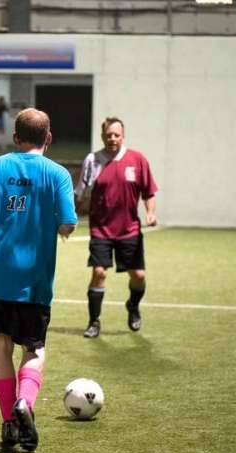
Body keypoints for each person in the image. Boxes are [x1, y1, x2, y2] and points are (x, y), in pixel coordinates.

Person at [0, 108, 77, 453]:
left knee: (1, 344)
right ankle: (24, 403)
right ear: (48, 138)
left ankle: (8, 424)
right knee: (34, 349)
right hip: (33, 278)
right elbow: (67, 223)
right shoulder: (57, 174)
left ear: (15, 137)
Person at [75, 116, 158, 339]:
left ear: (123, 136)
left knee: (138, 276)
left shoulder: (137, 159)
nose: (112, 138)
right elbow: (79, 193)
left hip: (129, 230)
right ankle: (94, 321)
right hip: (101, 229)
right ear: (102, 136)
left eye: (117, 135)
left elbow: (148, 192)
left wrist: (150, 212)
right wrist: (70, 215)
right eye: (108, 135)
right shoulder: (93, 161)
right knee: (99, 272)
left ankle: (133, 305)